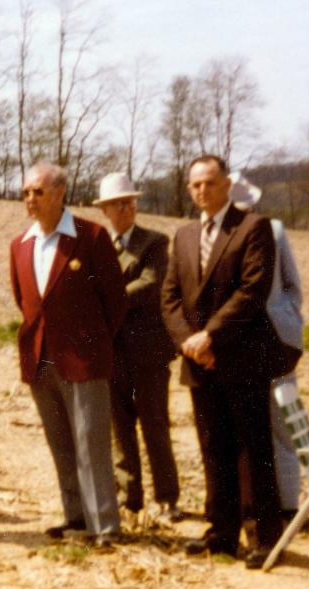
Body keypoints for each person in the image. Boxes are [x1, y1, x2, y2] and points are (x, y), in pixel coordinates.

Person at [161, 155, 288, 569]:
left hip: (242, 358)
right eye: (195, 184)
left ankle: (263, 537)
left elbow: (253, 291)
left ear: (227, 184)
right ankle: (221, 533)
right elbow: (170, 298)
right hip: (199, 361)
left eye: (210, 183)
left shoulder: (253, 228)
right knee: (213, 447)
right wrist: (189, 343)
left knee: (253, 450)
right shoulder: (182, 236)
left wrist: (210, 336)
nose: (202, 191)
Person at [10, 162, 127, 547]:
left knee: (92, 441)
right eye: (26, 192)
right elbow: (25, 302)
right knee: (60, 443)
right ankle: (76, 518)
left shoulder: (90, 237)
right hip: (40, 359)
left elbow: (114, 301)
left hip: (84, 359)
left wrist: (90, 343)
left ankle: (104, 526)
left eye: (38, 192)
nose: (30, 199)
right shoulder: (20, 245)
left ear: (59, 193)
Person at [93, 172, 181, 522]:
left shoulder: (155, 242)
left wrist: (106, 300)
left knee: (155, 424)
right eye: (117, 204)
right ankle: (130, 500)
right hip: (112, 352)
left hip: (148, 352)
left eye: (130, 202)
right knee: (119, 427)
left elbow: (150, 284)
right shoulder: (98, 245)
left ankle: (168, 498)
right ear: (105, 211)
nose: (125, 208)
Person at [229, 172, 305, 520]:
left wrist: (286, 314)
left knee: (283, 420)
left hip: (276, 338)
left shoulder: (273, 231)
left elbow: (293, 285)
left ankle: (287, 504)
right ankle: (257, 503)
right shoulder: (221, 236)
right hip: (239, 338)